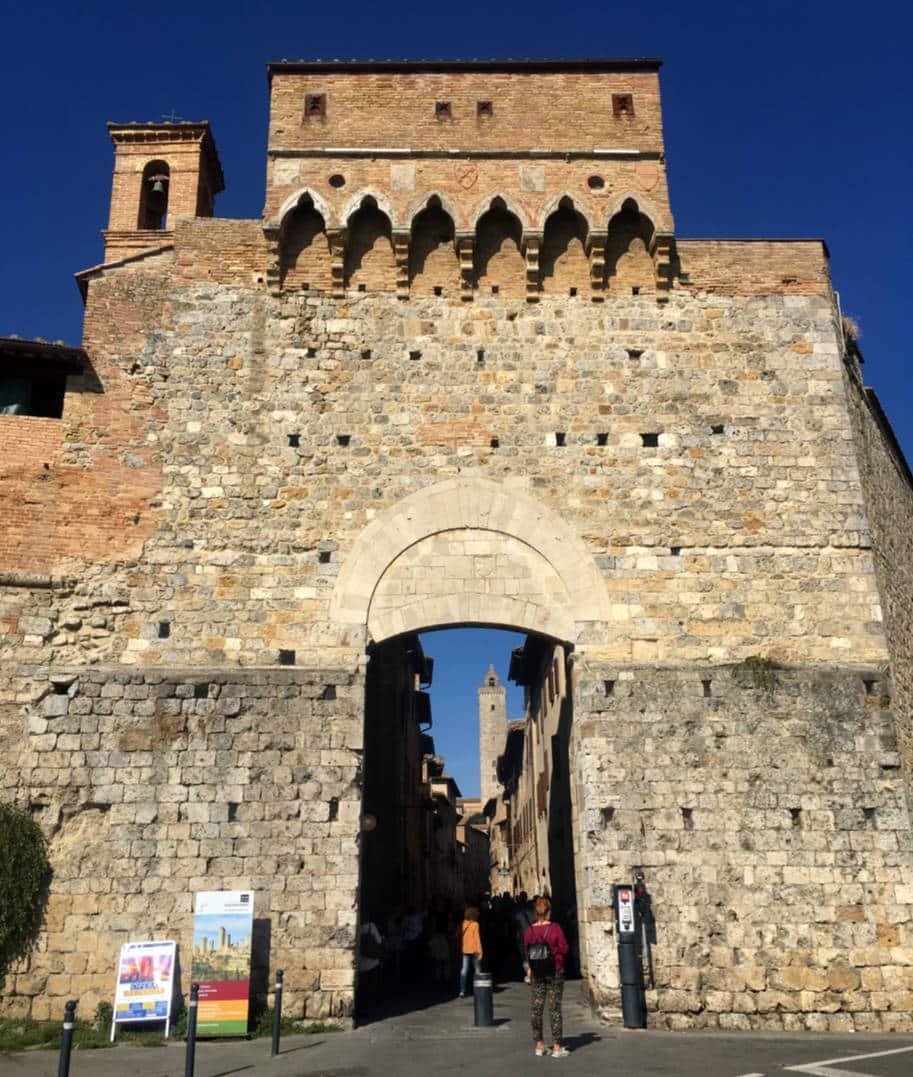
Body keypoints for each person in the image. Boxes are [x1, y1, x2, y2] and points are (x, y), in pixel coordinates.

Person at [524, 896, 570, 1058]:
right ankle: (557, 1047)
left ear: (535, 913)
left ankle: (539, 1045)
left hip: (537, 973)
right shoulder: (555, 928)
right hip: (555, 971)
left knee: (536, 1008)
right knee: (554, 1008)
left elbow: (527, 952)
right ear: (549, 911)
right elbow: (564, 948)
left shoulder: (529, 931)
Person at [357, 915, 385, 1016]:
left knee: (362, 987)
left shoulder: (356, 927)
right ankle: (371, 1009)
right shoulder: (370, 926)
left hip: (360, 964)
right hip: (373, 962)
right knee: (372, 987)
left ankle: (362, 1008)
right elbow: (379, 941)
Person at [458, 905, 483, 997]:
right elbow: (477, 938)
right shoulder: (475, 925)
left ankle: (462, 990)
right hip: (474, 950)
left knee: (464, 970)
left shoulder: (463, 924)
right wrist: (480, 951)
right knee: (477, 970)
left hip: (465, 949)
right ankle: (478, 989)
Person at [513, 891, 534, 983]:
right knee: (533, 954)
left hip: (522, 935)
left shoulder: (516, 910)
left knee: (524, 956)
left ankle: (528, 974)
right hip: (532, 934)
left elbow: (515, 924)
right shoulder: (531, 908)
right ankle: (533, 973)